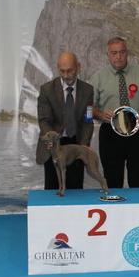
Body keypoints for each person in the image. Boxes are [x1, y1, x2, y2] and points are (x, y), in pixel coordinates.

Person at [90, 37, 139, 188]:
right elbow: (88, 108)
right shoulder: (98, 77)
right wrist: (100, 114)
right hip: (110, 134)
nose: (118, 57)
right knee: (112, 182)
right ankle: (114, 203)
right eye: (114, 53)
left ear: (127, 53)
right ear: (108, 55)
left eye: (122, 52)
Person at [36, 52, 95, 190]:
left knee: (76, 191)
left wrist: (84, 145)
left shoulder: (88, 90)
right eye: (62, 71)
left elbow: (88, 120)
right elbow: (44, 120)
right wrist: (51, 138)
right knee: (52, 191)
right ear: (58, 68)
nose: (66, 75)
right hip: (54, 145)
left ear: (78, 67)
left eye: (70, 70)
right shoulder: (46, 90)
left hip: (76, 146)